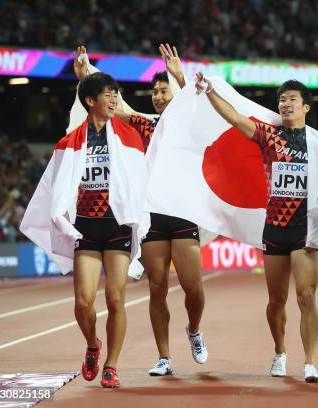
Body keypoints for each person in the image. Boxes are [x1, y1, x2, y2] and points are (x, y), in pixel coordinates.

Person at [73, 44, 208, 377]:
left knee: (194, 288)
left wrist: (180, 75)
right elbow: (116, 105)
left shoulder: (193, 127)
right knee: (157, 287)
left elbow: (206, 107)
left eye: (164, 91)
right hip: (153, 218)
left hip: (184, 215)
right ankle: (164, 355)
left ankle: (194, 329)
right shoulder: (147, 126)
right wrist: (88, 71)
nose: (158, 97)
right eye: (155, 92)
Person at [195, 72, 318, 383]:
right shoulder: (270, 136)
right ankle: (280, 353)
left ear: (306, 107)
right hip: (276, 229)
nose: (286, 104)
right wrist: (210, 92)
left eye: (293, 99)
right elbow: (235, 118)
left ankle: (310, 363)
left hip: (305, 230)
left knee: (306, 296)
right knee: (276, 300)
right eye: (282, 100)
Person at [72, 72, 146, 388]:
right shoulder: (73, 138)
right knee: (84, 302)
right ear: (91, 101)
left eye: (116, 94)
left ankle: (111, 365)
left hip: (116, 228)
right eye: (108, 94)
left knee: (115, 300)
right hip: (87, 228)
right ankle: (92, 344)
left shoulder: (129, 136)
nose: (115, 100)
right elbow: (61, 180)